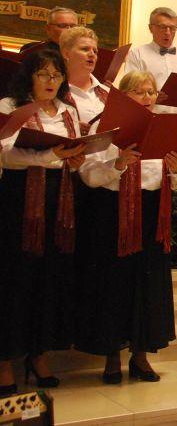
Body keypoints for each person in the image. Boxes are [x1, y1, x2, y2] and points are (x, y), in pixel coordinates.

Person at [76, 71, 177, 384]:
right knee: (114, 283)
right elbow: (88, 174)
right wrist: (118, 163)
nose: (147, 97)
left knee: (148, 284)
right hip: (114, 212)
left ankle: (140, 355)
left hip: (152, 211)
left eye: (151, 91)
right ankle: (112, 356)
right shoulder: (107, 125)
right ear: (125, 96)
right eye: (140, 91)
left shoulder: (165, 125)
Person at [0, 49, 86, 394]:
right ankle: (5, 361)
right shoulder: (11, 106)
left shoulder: (68, 110)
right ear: (29, 77)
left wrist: (76, 159)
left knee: (48, 280)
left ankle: (39, 354)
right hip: (19, 202)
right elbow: (7, 154)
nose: (51, 81)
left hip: (58, 202)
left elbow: (73, 153)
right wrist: (50, 155)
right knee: (15, 282)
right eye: (43, 74)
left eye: (56, 75)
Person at [125, 7, 177, 113]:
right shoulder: (137, 54)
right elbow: (129, 92)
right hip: (149, 117)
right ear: (151, 28)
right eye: (162, 27)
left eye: (172, 28)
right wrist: (152, 98)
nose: (168, 32)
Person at [59, 26, 108, 130]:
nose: (92, 54)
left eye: (95, 51)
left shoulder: (107, 92)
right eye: (85, 49)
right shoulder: (55, 91)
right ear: (66, 54)